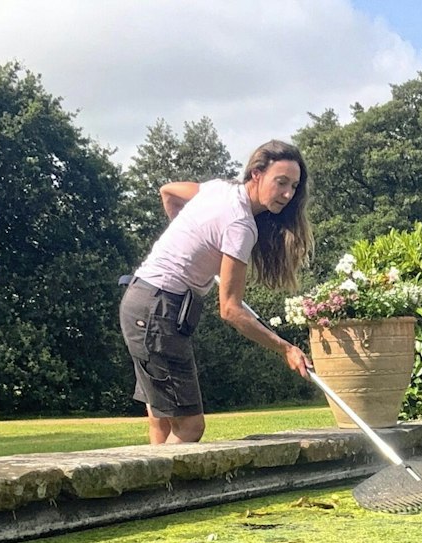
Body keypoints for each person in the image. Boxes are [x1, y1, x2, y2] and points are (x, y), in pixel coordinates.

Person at [120, 140, 313, 444]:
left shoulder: (217, 189)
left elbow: (168, 191)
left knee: (162, 421)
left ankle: (165, 490)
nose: (288, 194)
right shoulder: (241, 225)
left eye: (293, 186)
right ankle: (175, 491)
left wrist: (195, 241)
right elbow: (231, 310)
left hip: (141, 300)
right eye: (281, 182)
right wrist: (285, 348)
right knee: (190, 427)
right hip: (159, 310)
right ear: (257, 174)